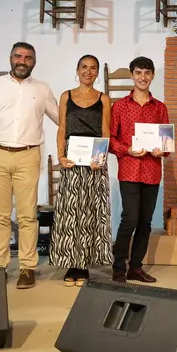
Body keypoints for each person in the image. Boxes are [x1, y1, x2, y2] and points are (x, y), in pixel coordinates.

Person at [0, 42, 59, 289]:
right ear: (10, 58)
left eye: (28, 57)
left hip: (28, 156)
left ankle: (27, 267)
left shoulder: (42, 89)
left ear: (34, 61)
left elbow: (62, 119)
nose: (23, 61)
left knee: (27, 215)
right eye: (18, 56)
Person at [50, 54, 113, 287]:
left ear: (97, 73)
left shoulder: (103, 99)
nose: (88, 71)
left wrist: (101, 157)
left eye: (93, 68)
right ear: (77, 70)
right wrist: (60, 155)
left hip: (95, 160)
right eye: (84, 67)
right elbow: (62, 129)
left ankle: (84, 266)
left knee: (90, 213)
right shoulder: (66, 96)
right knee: (71, 212)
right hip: (72, 161)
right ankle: (71, 263)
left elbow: (105, 130)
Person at [109, 56, 170, 283]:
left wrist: (160, 150)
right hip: (129, 171)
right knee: (129, 220)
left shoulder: (160, 108)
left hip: (152, 172)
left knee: (145, 222)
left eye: (147, 73)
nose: (142, 77)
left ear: (152, 75)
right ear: (131, 75)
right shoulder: (120, 107)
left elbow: (166, 145)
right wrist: (127, 149)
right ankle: (118, 267)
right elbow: (111, 140)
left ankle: (136, 267)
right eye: (138, 73)